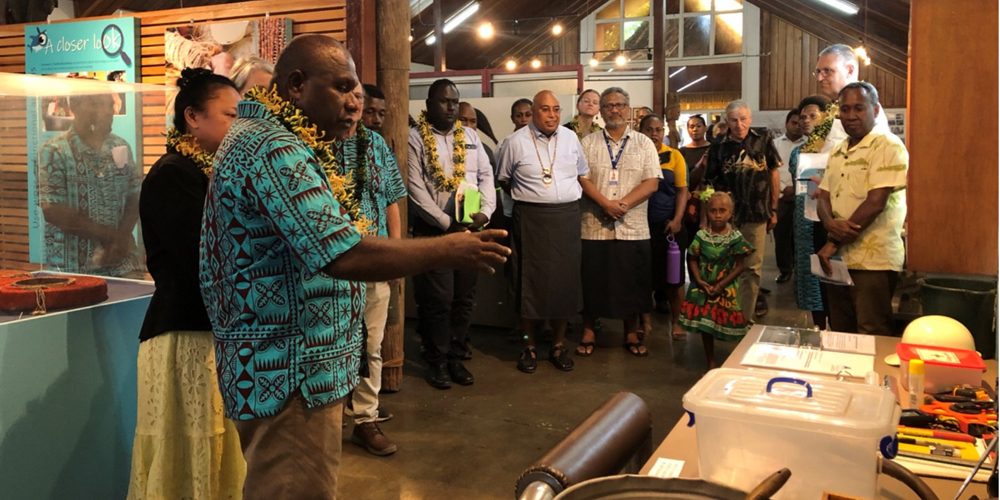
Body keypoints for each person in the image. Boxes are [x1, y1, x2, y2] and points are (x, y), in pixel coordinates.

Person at [199, 35, 509, 499]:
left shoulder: (285, 140)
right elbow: (341, 253)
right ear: (296, 86)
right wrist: (451, 249)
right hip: (290, 374)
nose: (353, 104)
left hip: (295, 368)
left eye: (357, 94)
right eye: (342, 88)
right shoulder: (272, 148)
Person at [129, 68, 245, 500]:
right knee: (187, 457)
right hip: (184, 339)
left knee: (218, 459)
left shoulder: (207, 173)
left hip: (212, 335)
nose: (240, 125)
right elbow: (206, 260)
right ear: (193, 117)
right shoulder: (172, 175)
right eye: (231, 114)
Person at [333, 84, 407, 456]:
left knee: (371, 345)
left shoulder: (377, 146)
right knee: (331, 344)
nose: (354, 107)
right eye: (349, 99)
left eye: (360, 101)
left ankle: (365, 419)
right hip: (331, 266)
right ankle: (329, 417)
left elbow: (392, 201)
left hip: (374, 261)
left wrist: (394, 255)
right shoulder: (316, 142)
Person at [409, 79, 497, 389]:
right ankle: (437, 361)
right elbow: (415, 189)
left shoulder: (470, 136)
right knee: (439, 299)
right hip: (436, 231)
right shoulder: (415, 137)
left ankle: (457, 357)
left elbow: (486, 176)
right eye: (444, 101)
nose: (450, 107)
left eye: (454, 102)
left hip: (471, 227)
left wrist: (485, 211)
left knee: (463, 297)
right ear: (429, 104)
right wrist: (448, 225)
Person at [497, 90, 588, 373]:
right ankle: (529, 345)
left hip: (566, 217)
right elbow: (504, 180)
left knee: (564, 282)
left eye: (556, 109)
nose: (552, 115)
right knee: (529, 284)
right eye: (546, 109)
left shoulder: (571, 138)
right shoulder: (515, 141)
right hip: (531, 219)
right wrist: (533, 197)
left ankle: (559, 345)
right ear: (534, 111)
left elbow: (581, 173)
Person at [816, 82, 907, 334]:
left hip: (873, 262)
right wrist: (828, 222)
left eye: (859, 108)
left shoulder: (887, 146)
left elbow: (875, 203)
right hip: (837, 262)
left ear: (875, 109)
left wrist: (832, 241)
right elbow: (823, 195)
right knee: (841, 331)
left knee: (871, 330)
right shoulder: (838, 149)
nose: (850, 116)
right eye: (844, 109)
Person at [578, 87, 661, 357]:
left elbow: (651, 182)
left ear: (629, 110)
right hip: (594, 225)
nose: (615, 110)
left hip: (633, 227)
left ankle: (630, 331)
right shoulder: (588, 143)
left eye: (620, 105)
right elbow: (582, 179)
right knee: (592, 280)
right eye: (609, 105)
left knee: (633, 282)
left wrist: (622, 205)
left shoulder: (643, 143)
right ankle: (589, 330)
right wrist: (605, 203)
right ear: (601, 111)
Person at [37, 92, 142, 277]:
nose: (107, 112)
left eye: (109, 105)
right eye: (96, 104)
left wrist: (121, 238)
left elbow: (135, 195)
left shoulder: (120, 146)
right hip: (72, 268)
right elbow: (53, 210)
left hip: (122, 264)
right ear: (74, 108)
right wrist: (112, 237)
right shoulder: (54, 151)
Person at [703, 100, 781, 322]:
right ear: (727, 121)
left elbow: (774, 173)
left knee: (752, 267)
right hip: (725, 219)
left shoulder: (763, 140)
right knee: (725, 266)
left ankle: (744, 318)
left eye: (743, 119)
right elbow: (709, 184)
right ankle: (724, 314)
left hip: (757, 214)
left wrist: (773, 208)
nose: (739, 124)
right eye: (734, 120)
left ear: (750, 119)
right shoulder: (718, 146)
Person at [680, 192, 753, 368]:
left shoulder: (735, 238)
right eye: (713, 211)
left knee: (731, 323)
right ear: (707, 213)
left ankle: (736, 363)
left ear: (731, 213)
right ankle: (710, 361)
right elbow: (692, 258)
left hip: (726, 288)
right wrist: (698, 280)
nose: (718, 215)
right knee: (706, 325)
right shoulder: (701, 236)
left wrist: (721, 285)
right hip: (704, 287)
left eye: (722, 210)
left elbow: (740, 265)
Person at [639, 114, 688, 340]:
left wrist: (677, 219)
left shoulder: (674, 156)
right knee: (642, 277)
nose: (655, 134)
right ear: (641, 132)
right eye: (650, 129)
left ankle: (676, 322)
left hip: (668, 226)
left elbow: (682, 191)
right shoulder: (635, 155)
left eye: (659, 129)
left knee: (674, 278)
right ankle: (644, 322)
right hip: (639, 226)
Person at [790, 95, 835, 329]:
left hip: (828, 220)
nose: (806, 121)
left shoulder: (836, 148)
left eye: (813, 116)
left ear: (827, 118)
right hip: (803, 222)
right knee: (809, 276)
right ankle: (817, 327)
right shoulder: (797, 153)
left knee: (831, 274)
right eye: (803, 117)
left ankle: (836, 325)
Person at [814, 43, 890, 143]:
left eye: (827, 71)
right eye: (818, 72)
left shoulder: (867, 107)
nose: (820, 78)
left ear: (850, 70)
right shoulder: (832, 106)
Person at [772, 108, 805, 283]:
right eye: (794, 123)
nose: (797, 126)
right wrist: (784, 189)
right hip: (781, 197)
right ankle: (785, 270)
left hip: (802, 197)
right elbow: (773, 171)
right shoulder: (775, 144)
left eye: (801, 123)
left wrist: (796, 188)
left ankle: (801, 271)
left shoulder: (809, 145)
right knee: (782, 236)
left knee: (800, 237)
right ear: (786, 124)